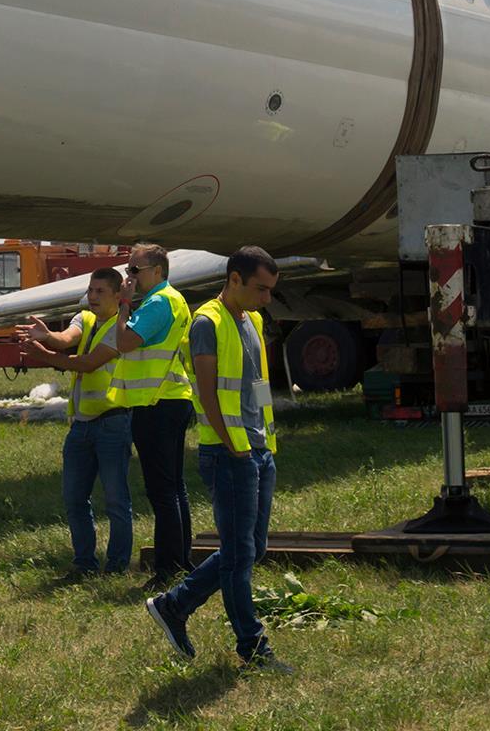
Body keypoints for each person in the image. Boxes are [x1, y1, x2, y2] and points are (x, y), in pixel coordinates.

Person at [145, 246, 292, 674]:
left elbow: (259, 382)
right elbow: (206, 393)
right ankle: (252, 645)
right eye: (261, 289)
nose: (267, 299)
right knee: (239, 554)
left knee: (250, 548)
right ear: (235, 279)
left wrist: (264, 437)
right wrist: (233, 445)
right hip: (229, 453)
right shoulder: (206, 322)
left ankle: (175, 605)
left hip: (257, 448)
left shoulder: (255, 320)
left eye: (270, 291)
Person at [21, 268, 134, 578]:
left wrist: (43, 354)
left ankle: (117, 565)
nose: (92, 297)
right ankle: (84, 563)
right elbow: (65, 339)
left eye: (100, 291)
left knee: (116, 500)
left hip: (113, 422)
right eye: (90, 290)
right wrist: (48, 337)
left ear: (116, 295)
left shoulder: (121, 328)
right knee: (74, 498)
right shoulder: (84, 319)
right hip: (81, 425)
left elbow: (87, 362)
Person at [119, 243, 196, 592]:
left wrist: (123, 305)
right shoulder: (172, 300)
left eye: (135, 270)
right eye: (129, 269)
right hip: (170, 399)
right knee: (174, 488)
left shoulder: (158, 303)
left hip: (157, 404)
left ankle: (167, 569)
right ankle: (180, 561)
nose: (129, 276)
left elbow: (124, 342)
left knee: (162, 491)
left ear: (157, 271)